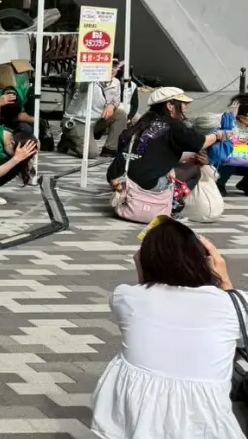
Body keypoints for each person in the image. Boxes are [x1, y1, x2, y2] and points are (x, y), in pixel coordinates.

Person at [90, 218, 245, 438]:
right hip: (205, 423)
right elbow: (239, 313)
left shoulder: (126, 297)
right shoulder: (231, 305)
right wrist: (224, 279)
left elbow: (145, 289)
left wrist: (144, 266)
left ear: (143, 260)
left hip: (136, 420)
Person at [106, 87, 227, 191]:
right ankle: (173, 205)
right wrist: (218, 135)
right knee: (194, 170)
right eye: (183, 103)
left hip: (117, 178)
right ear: (170, 105)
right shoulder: (174, 125)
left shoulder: (142, 122)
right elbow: (200, 143)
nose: (186, 107)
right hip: (144, 183)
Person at [60, 57, 129, 158]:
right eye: (108, 66)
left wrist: (111, 105)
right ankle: (68, 140)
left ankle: (110, 148)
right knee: (91, 154)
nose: (112, 69)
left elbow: (116, 100)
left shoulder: (116, 82)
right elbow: (83, 87)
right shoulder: (90, 80)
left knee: (120, 114)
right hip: (78, 121)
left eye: (114, 67)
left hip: (96, 121)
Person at [0, 60, 36, 134]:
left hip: (20, 129)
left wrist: (24, 118)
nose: (10, 95)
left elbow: (35, 120)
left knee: (26, 129)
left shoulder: (29, 94)